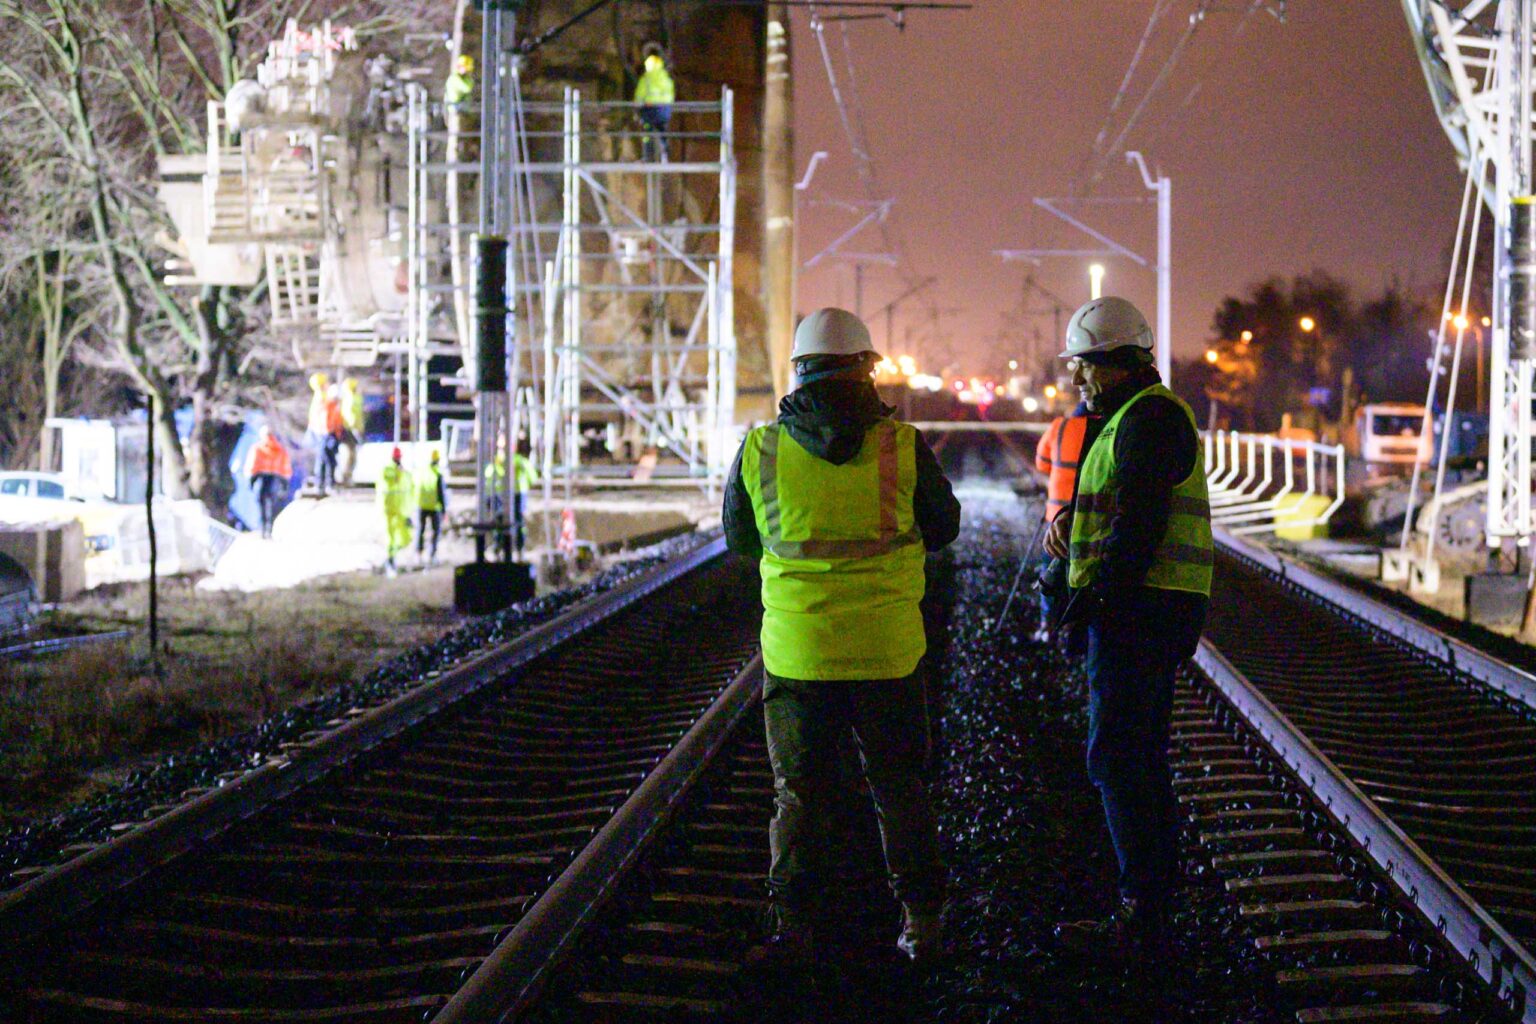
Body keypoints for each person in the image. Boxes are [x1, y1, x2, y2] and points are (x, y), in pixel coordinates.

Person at [723, 307, 961, 966]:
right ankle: (922, 923)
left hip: (800, 656)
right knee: (900, 789)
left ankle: (795, 928)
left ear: (797, 371)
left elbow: (741, 542)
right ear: (866, 369)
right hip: (887, 653)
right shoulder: (903, 446)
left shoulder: (760, 450)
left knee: (799, 796)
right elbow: (944, 529)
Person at [1043, 297, 1212, 967]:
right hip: (1143, 608)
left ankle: (1146, 917)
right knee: (1135, 757)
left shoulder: (1149, 420)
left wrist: (1094, 602)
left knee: (1118, 757)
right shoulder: (1129, 419)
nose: (1078, 380)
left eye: (1084, 367)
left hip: (1141, 612)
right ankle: (1153, 906)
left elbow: (1138, 527)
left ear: (1112, 364)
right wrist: (1070, 537)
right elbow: (1118, 511)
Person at [1032, 401, 1099, 639]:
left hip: (1056, 516)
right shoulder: (1105, 429)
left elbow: (1041, 463)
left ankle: (1047, 625)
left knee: (1050, 571)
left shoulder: (1060, 426)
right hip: (1092, 518)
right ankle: (1078, 629)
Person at [245, 425, 292, 540]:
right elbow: (285, 466)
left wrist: (251, 480)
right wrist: (285, 482)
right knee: (270, 504)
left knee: (262, 503)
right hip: (275, 478)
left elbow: (252, 464)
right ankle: (268, 529)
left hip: (262, 478)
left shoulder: (258, 448)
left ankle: (264, 529)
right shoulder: (279, 449)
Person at [377, 446, 413, 576]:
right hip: (389, 510)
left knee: (405, 537)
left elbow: (409, 491)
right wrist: (399, 472)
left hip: (401, 511)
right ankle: (390, 560)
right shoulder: (387, 470)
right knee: (391, 537)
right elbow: (388, 483)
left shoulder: (405, 473)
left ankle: (392, 558)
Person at [633, 49, 675, 160]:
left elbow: (639, 96)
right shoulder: (666, 79)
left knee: (647, 131)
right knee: (662, 129)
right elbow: (671, 96)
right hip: (664, 110)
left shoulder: (646, 79)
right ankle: (665, 152)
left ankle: (648, 155)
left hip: (649, 110)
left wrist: (636, 108)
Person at [415, 449, 447, 564]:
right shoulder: (437, 474)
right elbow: (441, 494)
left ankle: (418, 554)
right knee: (436, 531)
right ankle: (432, 555)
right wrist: (444, 510)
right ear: (438, 460)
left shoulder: (422, 472)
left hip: (421, 505)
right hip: (434, 507)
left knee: (420, 530)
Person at [305, 372, 334, 495]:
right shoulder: (322, 398)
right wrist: (327, 431)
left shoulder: (320, 397)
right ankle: (321, 484)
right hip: (322, 433)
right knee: (323, 459)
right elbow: (324, 418)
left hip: (321, 432)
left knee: (324, 459)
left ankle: (322, 484)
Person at [337, 377, 365, 486]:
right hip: (350, 430)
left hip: (351, 430)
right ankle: (347, 477)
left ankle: (347, 476)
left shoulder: (350, 398)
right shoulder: (352, 399)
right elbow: (352, 417)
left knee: (351, 454)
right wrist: (356, 429)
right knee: (351, 455)